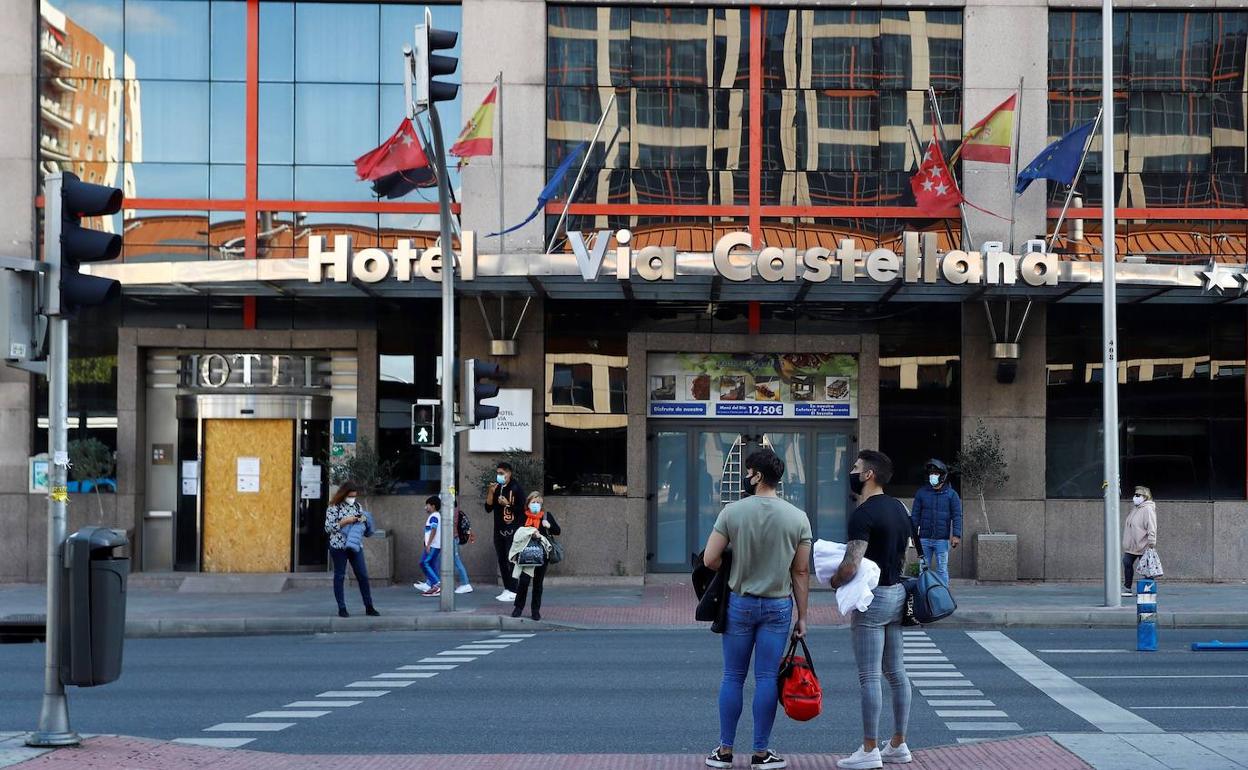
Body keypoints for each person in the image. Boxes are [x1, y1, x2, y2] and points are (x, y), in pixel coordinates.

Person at [702, 448, 812, 770]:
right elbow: (801, 571)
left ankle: (724, 752)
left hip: (740, 602)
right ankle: (761, 753)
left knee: (733, 676)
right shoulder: (798, 518)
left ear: (758, 476)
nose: (746, 476)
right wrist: (803, 616)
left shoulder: (732, 513)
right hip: (778, 606)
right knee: (766, 678)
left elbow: (710, 559)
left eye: (749, 472)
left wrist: (733, 565)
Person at [832, 450, 916, 770]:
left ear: (868, 475)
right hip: (897, 593)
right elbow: (907, 555)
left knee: (869, 676)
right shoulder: (899, 508)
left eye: (855, 468)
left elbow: (852, 564)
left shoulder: (863, 513)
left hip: (872, 598)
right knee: (896, 672)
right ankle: (898, 743)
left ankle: (869, 749)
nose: (852, 472)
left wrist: (835, 579)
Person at [324, 482, 379, 618]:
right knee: (340, 576)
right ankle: (342, 608)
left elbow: (363, 518)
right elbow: (328, 528)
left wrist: (361, 519)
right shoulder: (333, 507)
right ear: (343, 494)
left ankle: (369, 606)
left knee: (363, 575)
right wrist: (345, 521)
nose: (352, 498)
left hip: (355, 545)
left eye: (354, 496)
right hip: (338, 546)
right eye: (350, 496)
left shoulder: (357, 506)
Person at [910, 458, 962, 587]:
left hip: (942, 539)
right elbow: (915, 515)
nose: (933, 476)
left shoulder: (951, 494)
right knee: (923, 568)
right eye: (931, 474)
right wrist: (912, 533)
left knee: (942, 568)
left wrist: (956, 535)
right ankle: (922, 593)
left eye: (936, 474)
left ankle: (943, 594)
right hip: (924, 538)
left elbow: (957, 516)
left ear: (943, 476)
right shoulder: (922, 493)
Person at [511, 491, 560, 621]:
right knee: (524, 582)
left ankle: (535, 611)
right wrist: (530, 533)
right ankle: (518, 607)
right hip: (526, 554)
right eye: (533, 502)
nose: (536, 505)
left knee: (538, 584)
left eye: (538, 502)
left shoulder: (546, 516)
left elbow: (558, 531)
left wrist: (549, 526)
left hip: (542, 555)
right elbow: (517, 533)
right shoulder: (523, 516)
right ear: (528, 504)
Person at [415, 495, 475, 595]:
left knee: (455, 562)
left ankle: (465, 584)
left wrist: (429, 543)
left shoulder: (451, 512)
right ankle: (431, 583)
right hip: (447, 540)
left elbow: (441, 528)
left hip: (451, 540)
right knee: (435, 561)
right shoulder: (448, 512)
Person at [486, 461, 525, 602]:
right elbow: (488, 508)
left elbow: (522, 510)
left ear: (509, 473)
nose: (499, 476)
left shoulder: (516, 488)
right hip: (498, 529)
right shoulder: (497, 488)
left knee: (512, 560)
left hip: (513, 530)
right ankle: (508, 588)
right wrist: (490, 492)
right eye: (497, 473)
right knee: (502, 560)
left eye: (501, 473)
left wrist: (507, 504)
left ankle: (514, 589)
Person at [1122, 486, 1159, 597]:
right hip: (1132, 545)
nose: (1135, 497)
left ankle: (1148, 589)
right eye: (1135, 495)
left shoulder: (1147, 509)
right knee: (1127, 563)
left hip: (1143, 544)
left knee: (1147, 569)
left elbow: (1151, 526)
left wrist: (1151, 541)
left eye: (1138, 495)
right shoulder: (1137, 508)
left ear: (1145, 496)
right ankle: (1127, 588)